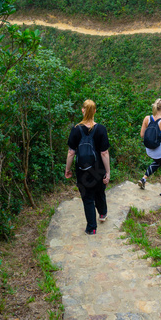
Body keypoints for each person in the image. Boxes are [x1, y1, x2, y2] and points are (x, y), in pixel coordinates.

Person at [65, 99, 110, 235]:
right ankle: (102, 214)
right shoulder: (101, 129)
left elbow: (71, 152)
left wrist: (68, 169)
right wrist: (108, 172)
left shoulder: (76, 129)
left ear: (82, 110)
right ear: (95, 111)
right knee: (99, 191)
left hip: (82, 170)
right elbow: (104, 153)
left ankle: (92, 228)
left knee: (88, 198)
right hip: (99, 168)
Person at [138, 98, 161, 198]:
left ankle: (144, 179)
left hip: (149, 151)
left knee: (159, 162)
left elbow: (142, 134)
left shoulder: (147, 118)